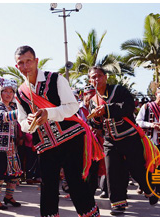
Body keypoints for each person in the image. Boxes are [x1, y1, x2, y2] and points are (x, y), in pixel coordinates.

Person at [14, 46, 101, 217]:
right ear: (17, 67)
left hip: (70, 139)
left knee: (76, 182)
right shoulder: (20, 93)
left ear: (36, 61)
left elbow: (72, 107)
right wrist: (29, 122)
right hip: (45, 145)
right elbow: (22, 121)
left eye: (28, 61)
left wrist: (49, 113)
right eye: (21, 63)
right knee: (48, 186)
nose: (26, 66)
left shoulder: (55, 79)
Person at [86, 66, 158, 215]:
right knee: (112, 172)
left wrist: (106, 109)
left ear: (106, 77)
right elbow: (98, 125)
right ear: (89, 80)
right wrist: (96, 118)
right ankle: (118, 204)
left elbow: (128, 107)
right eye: (93, 77)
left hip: (129, 137)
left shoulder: (118, 90)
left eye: (99, 76)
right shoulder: (93, 100)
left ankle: (149, 190)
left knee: (137, 169)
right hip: (110, 141)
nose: (96, 79)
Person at [0, 78, 22, 210]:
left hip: (11, 147)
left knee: (14, 174)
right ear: (0, 93)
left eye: (11, 92)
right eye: (5, 91)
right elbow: (2, 116)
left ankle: (8, 197)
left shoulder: (12, 106)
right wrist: (21, 113)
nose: (8, 94)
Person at [136, 85, 160, 194]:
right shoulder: (147, 107)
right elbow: (138, 122)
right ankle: (143, 185)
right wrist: (151, 125)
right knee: (145, 164)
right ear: (156, 94)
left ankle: (158, 189)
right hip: (148, 142)